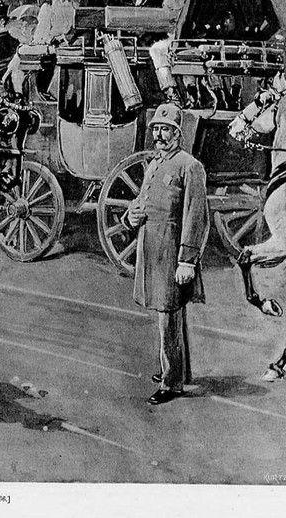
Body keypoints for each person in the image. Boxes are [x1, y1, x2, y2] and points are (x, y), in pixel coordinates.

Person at [122, 103, 208, 405]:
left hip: (172, 250)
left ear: (177, 134)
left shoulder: (190, 166)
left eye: (166, 129)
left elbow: (196, 215)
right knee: (166, 313)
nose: (159, 134)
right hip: (152, 247)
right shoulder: (156, 163)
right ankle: (177, 371)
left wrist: (188, 259)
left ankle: (171, 383)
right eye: (156, 129)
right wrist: (130, 217)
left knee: (169, 316)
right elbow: (141, 202)